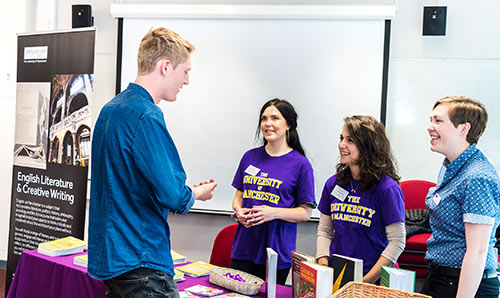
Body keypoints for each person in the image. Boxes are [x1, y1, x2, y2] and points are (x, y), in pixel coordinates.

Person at [88, 27, 217, 298]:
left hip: (115, 259)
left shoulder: (111, 109)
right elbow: (174, 195)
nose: (187, 81)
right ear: (165, 66)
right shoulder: (146, 115)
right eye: (186, 71)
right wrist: (194, 193)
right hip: (141, 260)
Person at [230, 98, 316, 285]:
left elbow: (305, 213)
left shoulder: (301, 164)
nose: (268, 123)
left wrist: (272, 212)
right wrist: (238, 212)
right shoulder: (249, 157)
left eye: (275, 118)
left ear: (289, 126)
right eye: (264, 118)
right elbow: (239, 197)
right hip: (243, 248)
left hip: (276, 253)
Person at [421, 96, 500, 298]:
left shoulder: (478, 177)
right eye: (431, 120)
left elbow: (478, 252)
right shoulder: (452, 165)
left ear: (463, 129)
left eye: (438, 121)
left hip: (464, 284)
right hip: (442, 276)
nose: (430, 127)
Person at [316, 115, 405, 283]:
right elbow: (324, 231)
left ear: (368, 146)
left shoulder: (387, 188)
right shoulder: (333, 184)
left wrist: (363, 282)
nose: (341, 144)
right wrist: (324, 268)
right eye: (341, 138)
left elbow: (397, 242)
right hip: (337, 277)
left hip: (371, 281)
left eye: (350, 140)